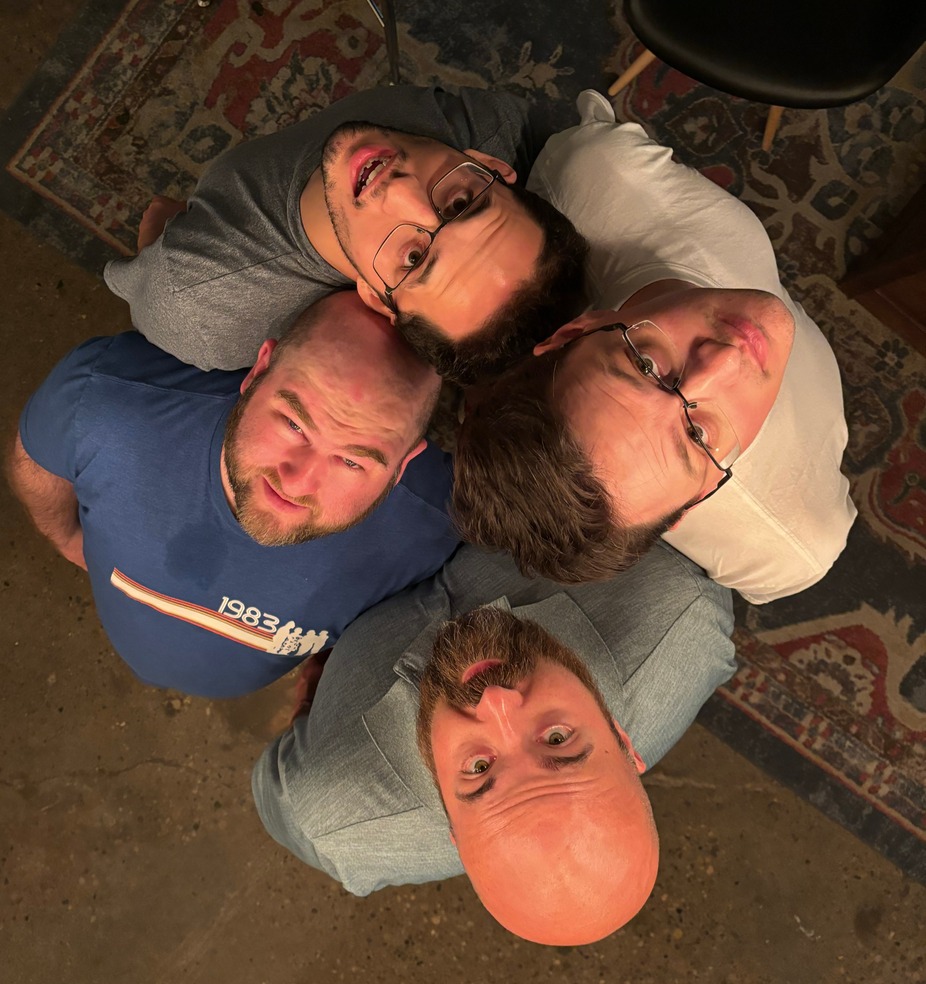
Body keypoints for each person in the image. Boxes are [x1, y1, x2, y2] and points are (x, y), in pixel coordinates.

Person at [452, 91, 856, 604]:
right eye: (697, 435)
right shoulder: (794, 547)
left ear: (575, 331)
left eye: (646, 365)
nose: (727, 359)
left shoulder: (601, 176)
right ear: (700, 498)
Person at [252, 541, 736, 945]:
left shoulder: (332, 815)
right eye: (557, 739)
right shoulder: (675, 595)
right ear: (623, 740)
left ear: (451, 829)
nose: (497, 703)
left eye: (480, 768)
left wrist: (315, 702)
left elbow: (277, 778)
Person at [7, 292, 459, 698]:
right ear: (259, 371)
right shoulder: (105, 399)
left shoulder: (437, 530)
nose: (297, 482)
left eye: (353, 461)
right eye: (294, 424)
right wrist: (62, 535)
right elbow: (34, 459)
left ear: (403, 465)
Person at [104, 85, 588, 383]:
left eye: (414, 258)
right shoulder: (482, 125)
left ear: (376, 297)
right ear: (487, 163)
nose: (399, 191)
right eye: (461, 203)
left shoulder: (193, 296)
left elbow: (149, 257)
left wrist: (165, 225)